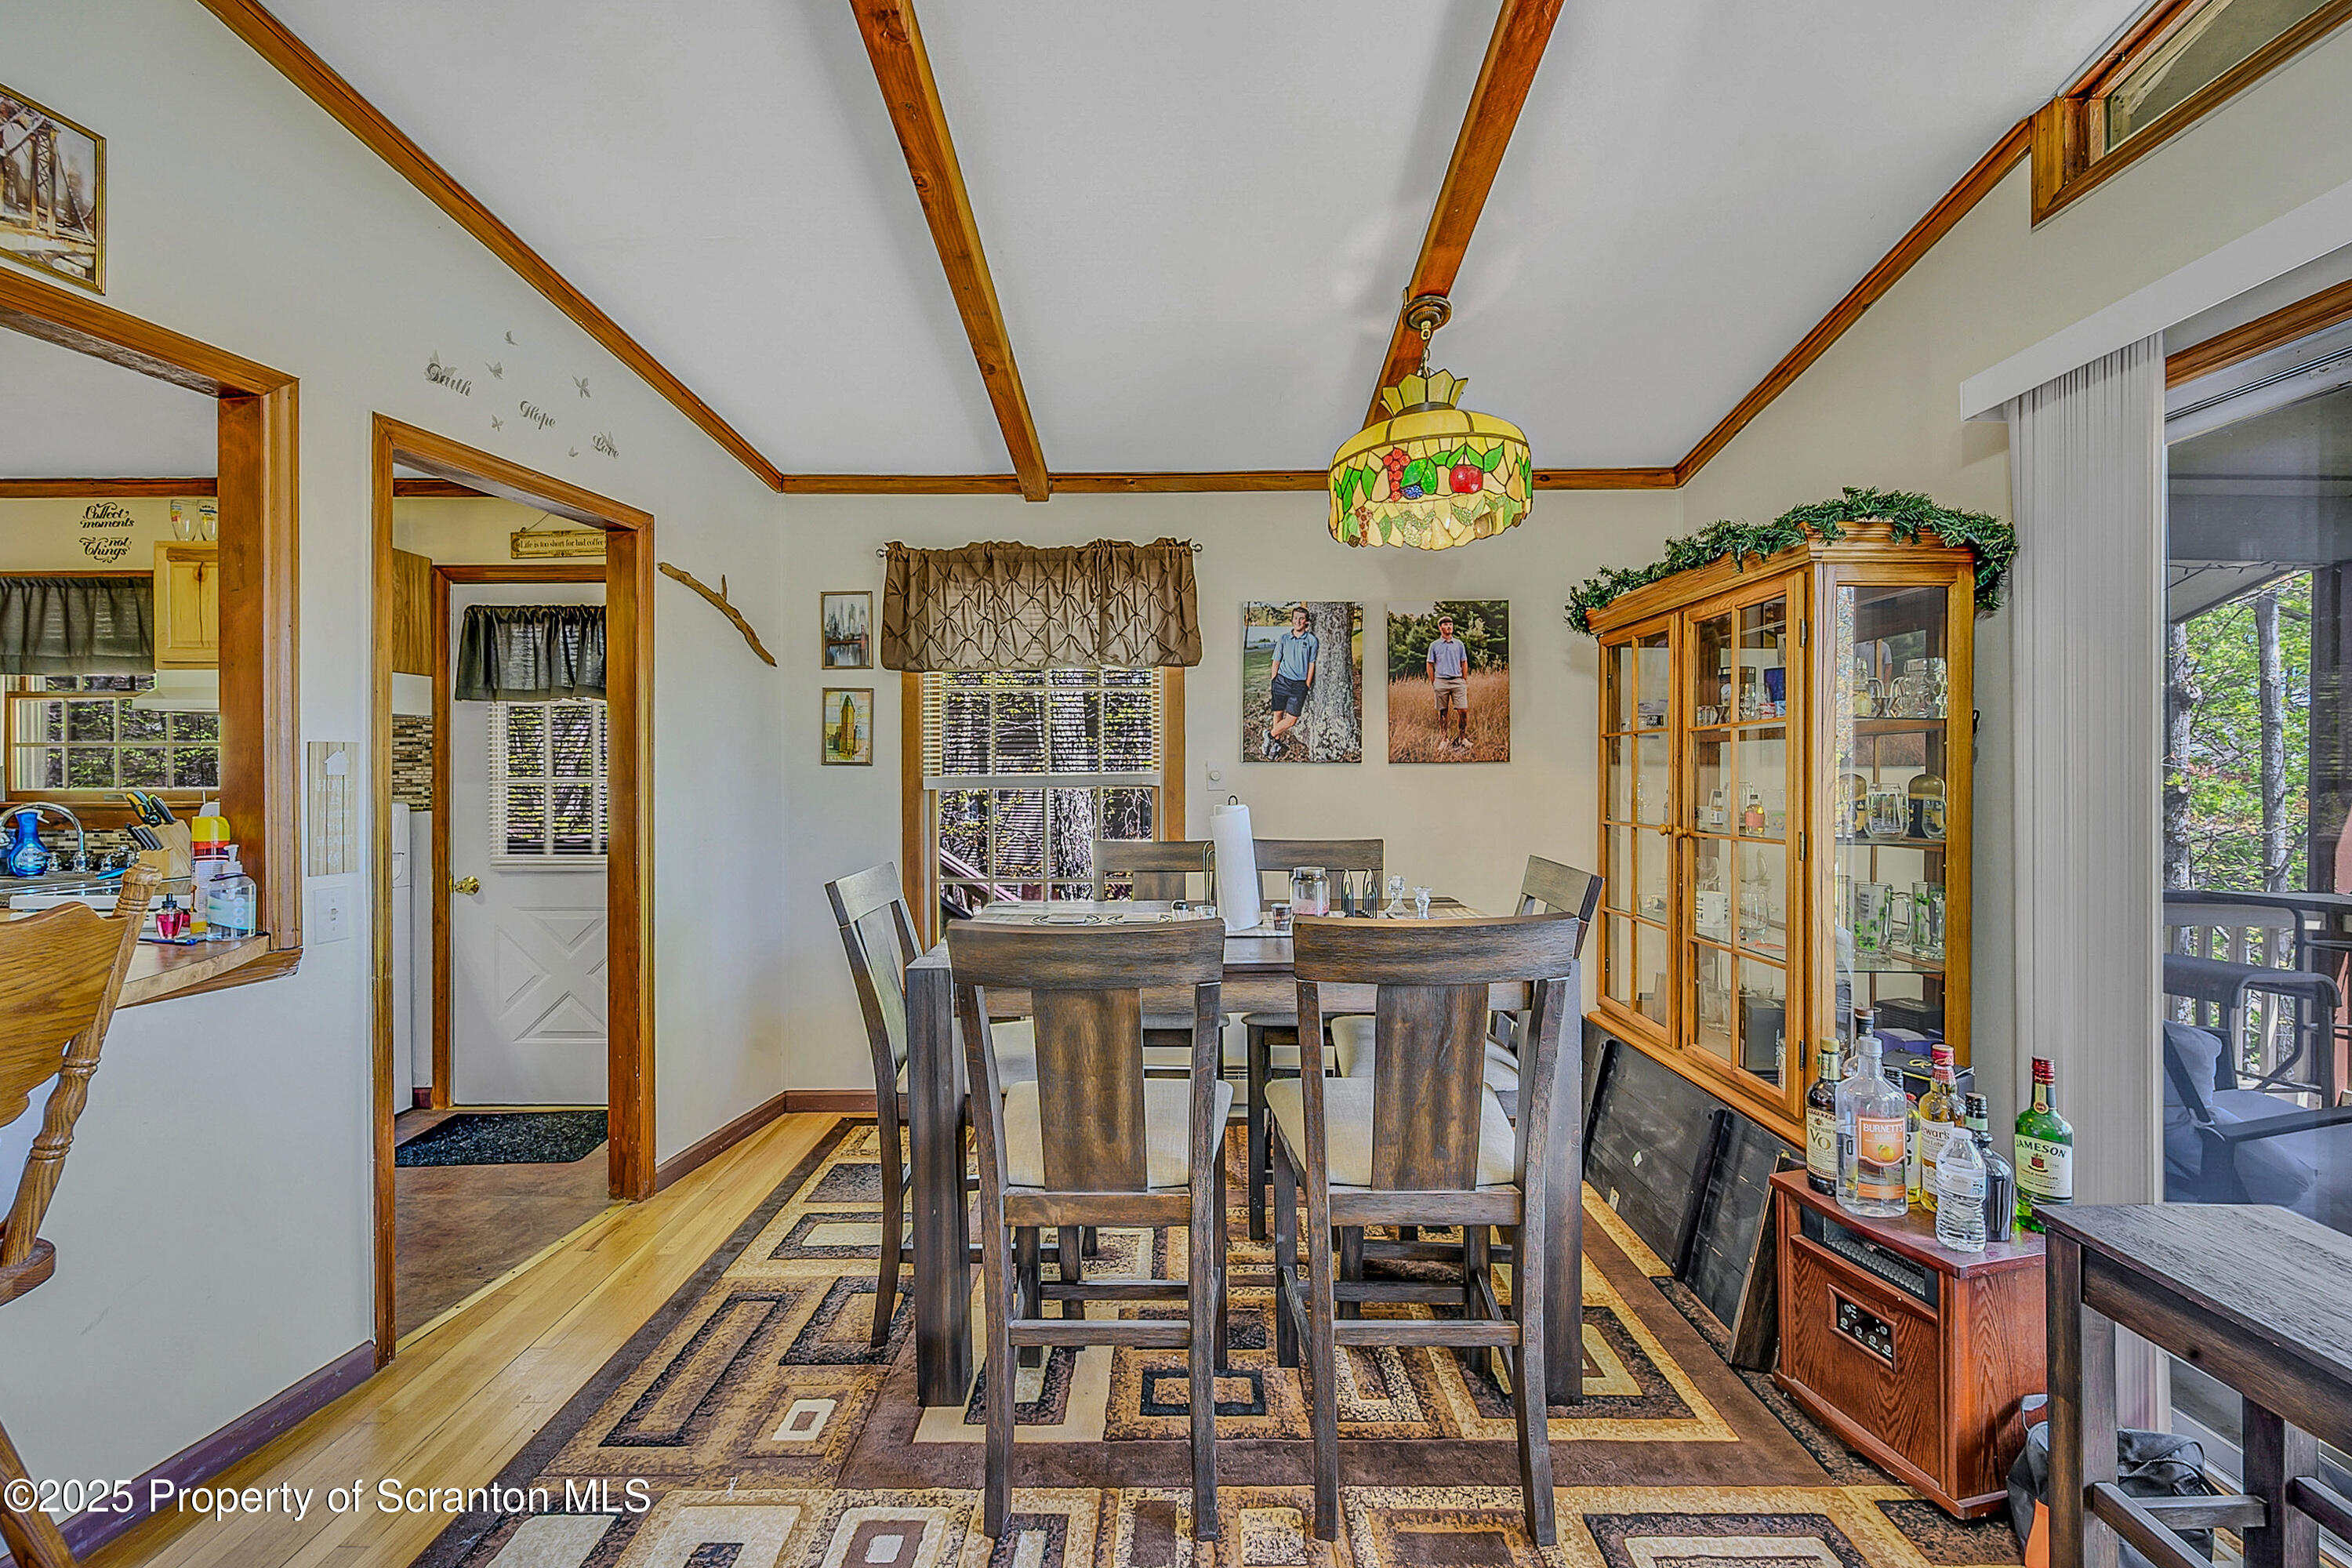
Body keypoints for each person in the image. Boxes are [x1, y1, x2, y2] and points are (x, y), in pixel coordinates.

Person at [1262, 604, 1318, 759]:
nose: (1298, 621)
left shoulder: (1312, 641)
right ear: (1292, 620)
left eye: (1301, 619)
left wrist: (1306, 684)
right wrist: (1274, 681)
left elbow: (1311, 663)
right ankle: (1275, 746)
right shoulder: (1284, 639)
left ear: (1306, 622)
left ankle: (1269, 735)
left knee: (1292, 720)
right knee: (1278, 714)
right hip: (1281, 681)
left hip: (1299, 685)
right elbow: (1276, 661)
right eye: (1295, 618)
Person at [1427, 612, 1471, 753]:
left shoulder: (1459, 644)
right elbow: (1429, 664)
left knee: (1463, 711)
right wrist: (1434, 682)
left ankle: (1462, 738)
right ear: (1440, 628)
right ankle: (1444, 739)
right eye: (1446, 624)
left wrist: (1464, 680)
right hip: (1441, 682)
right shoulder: (1434, 645)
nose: (1449, 627)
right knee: (1443, 712)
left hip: (1458, 681)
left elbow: (1464, 662)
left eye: (1450, 624)